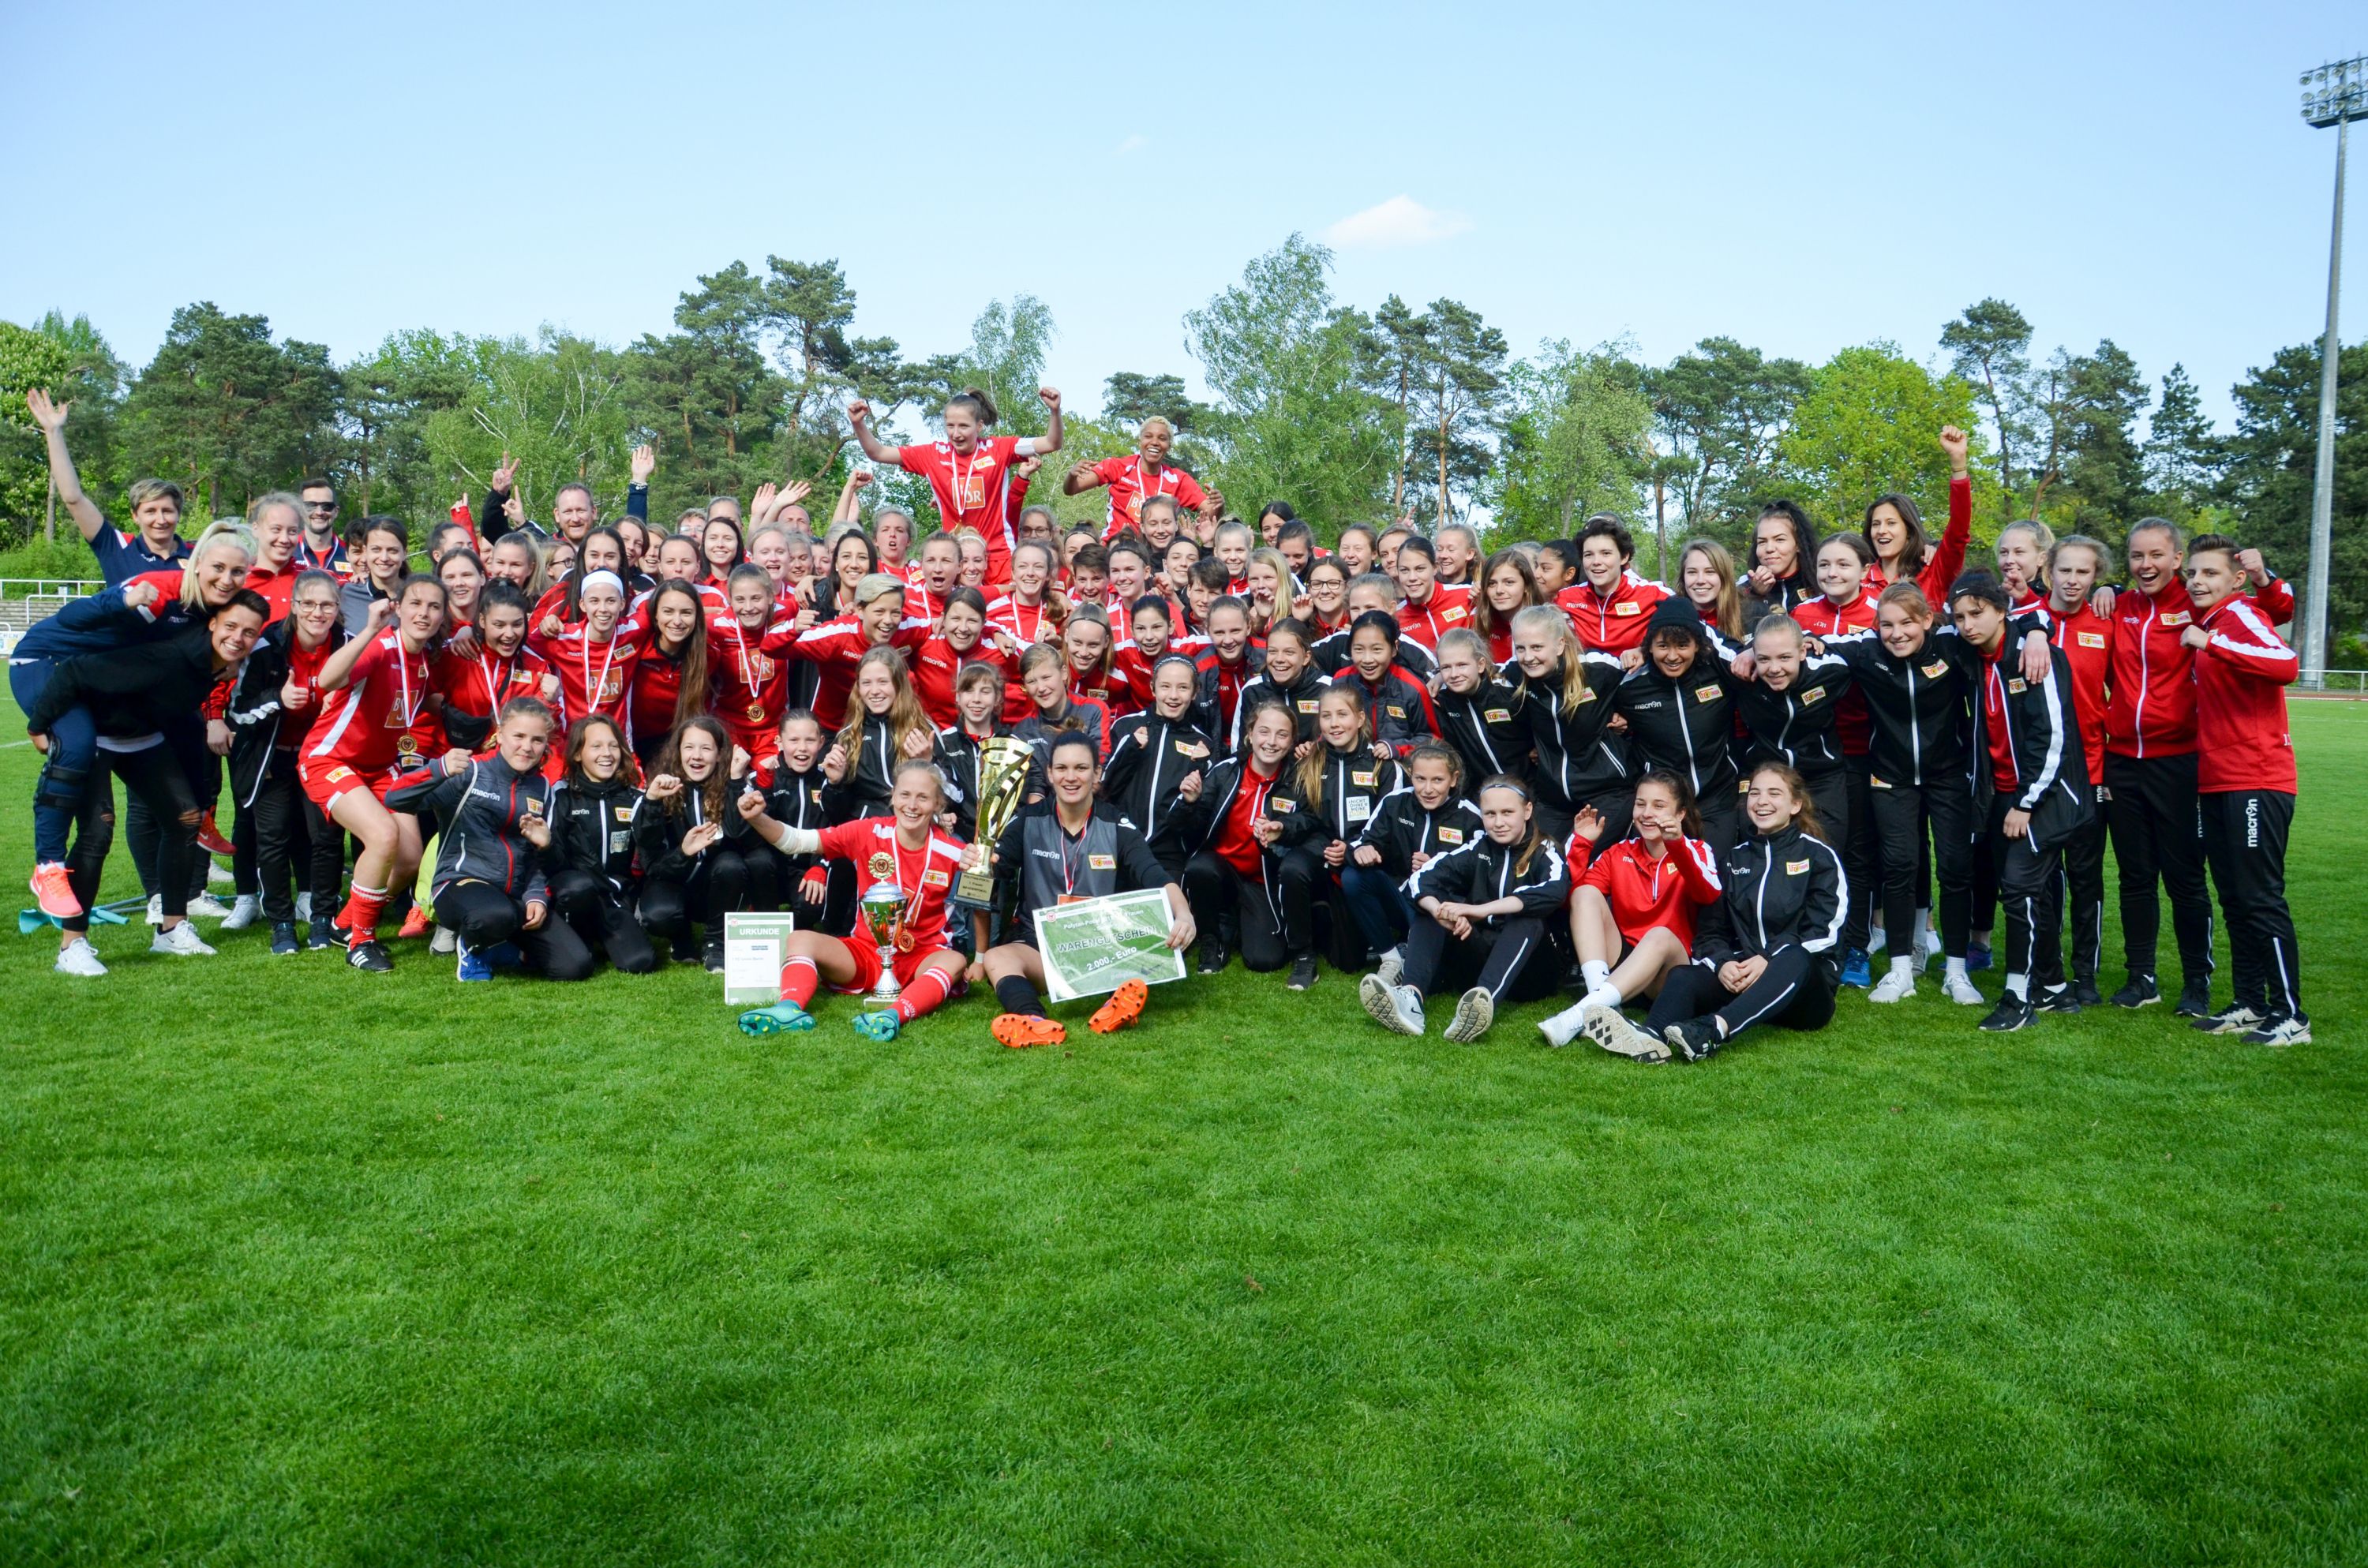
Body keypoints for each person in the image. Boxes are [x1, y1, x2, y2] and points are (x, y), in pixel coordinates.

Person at [24, 590, 268, 973]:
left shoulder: (219, 664)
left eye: (249, 632)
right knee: (97, 830)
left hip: (141, 738)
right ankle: (72, 945)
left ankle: (171, 929)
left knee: (185, 819)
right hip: (97, 735)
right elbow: (76, 671)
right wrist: (39, 727)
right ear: (212, 624)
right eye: (231, 626)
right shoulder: (170, 657)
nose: (238, 637)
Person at [1815, 583, 1985, 1005]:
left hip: (1948, 775)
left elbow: (2010, 623)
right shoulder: (1866, 650)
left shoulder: (1949, 644)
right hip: (1889, 777)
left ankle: (1958, 972)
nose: (1897, 633)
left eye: (1908, 622)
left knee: (1955, 869)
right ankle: (1900, 970)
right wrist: (1807, 641)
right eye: (1887, 625)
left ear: (1927, 620)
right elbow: (1818, 644)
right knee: (1899, 867)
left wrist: (2036, 631)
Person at [971, 732, 1197, 1047]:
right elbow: (997, 873)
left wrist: (1184, 913)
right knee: (999, 958)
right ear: (1049, 774)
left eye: (1081, 768)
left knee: (1136, 954)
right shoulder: (1028, 820)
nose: (1071, 777)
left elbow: (1154, 874)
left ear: (1097, 773)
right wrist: (981, 864)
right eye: (1061, 768)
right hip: (1040, 946)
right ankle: (1035, 1020)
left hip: (1101, 944)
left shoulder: (1115, 824)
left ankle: (1111, 1007)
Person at [1946, 572, 2092, 1031]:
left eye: (1978, 613)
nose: (1968, 624)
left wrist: (2027, 803)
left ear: (2001, 610)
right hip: (2001, 795)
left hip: (2044, 794)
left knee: (2019, 888)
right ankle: (2052, 988)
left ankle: (2018, 995)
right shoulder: (1973, 657)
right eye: (1961, 616)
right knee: (2035, 895)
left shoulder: (2036, 656)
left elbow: (2053, 738)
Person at [735, 758, 971, 1041]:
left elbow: (984, 897)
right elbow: (797, 841)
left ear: (938, 805)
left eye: (923, 797)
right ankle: (788, 1009)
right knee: (800, 939)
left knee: (955, 961)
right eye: (905, 795)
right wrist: (758, 818)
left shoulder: (954, 851)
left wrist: (982, 864)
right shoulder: (867, 831)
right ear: (893, 796)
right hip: (865, 952)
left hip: (921, 958)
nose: (912, 805)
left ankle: (892, 1016)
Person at [2181, 536, 2308, 1046]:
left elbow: (2286, 664)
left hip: (2256, 777)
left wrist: (2211, 643)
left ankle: (2291, 1015)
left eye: (2209, 573)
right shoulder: (2214, 621)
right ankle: (2250, 1002)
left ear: (2234, 580)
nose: (2196, 581)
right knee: (2234, 898)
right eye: (2192, 573)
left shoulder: (2237, 616)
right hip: (2217, 778)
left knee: (2260, 897)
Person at [1642, 762, 1848, 1061]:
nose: (1762, 801)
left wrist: (1767, 959)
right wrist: (1724, 964)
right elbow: (1710, 933)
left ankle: (1713, 1030)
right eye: (1754, 793)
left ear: (1795, 805)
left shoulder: (1818, 856)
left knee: (1794, 956)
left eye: (1774, 793)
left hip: (1803, 992)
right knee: (1683, 976)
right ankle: (1649, 1037)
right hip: (1745, 980)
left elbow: (1825, 933)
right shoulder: (1733, 860)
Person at [305, 575, 453, 971]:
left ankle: (344, 922)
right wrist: (371, 628)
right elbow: (327, 681)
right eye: (416, 604)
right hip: (330, 761)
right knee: (383, 836)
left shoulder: (422, 660)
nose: (424, 613)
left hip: (381, 768)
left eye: (434, 606)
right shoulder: (379, 647)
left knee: (408, 859)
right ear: (398, 608)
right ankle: (362, 941)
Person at [386, 699, 594, 982]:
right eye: (518, 736)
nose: (527, 747)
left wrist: (536, 896)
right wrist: (438, 769)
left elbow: (534, 857)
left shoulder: (542, 787)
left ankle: (498, 949)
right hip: (459, 884)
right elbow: (395, 798)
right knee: (494, 914)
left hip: (514, 894)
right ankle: (472, 945)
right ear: (500, 734)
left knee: (574, 966)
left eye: (537, 740)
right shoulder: (469, 773)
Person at [1358, 776, 1572, 1042]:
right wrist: (1440, 911)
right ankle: (1411, 998)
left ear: (1527, 811)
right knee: (1432, 910)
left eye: (1508, 812)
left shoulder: (1546, 850)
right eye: (1490, 814)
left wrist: (1480, 910)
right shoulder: (1477, 847)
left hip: (1533, 974)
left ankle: (1481, 1005)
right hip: (1477, 960)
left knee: (1528, 919)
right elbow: (1420, 880)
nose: (1499, 822)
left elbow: (1554, 891)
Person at [1537, 770, 1725, 1053]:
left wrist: (1677, 845)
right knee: (1585, 893)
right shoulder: (1618, 852)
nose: (1647, 814)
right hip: (1623, 965)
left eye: (1659, 806)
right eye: (1641, 804)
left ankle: (1578, 1016)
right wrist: (1582, 844)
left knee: (1660, 934)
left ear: (1680, 813)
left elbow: (1708, 892)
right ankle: (1599, 1004)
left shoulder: (1698, 849)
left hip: (1669, 971)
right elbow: (1569, 901)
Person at [224, 568, 349, 953]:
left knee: (326, 837)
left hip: (323, 758)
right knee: (273, 838)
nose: (317, 612)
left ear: (337, 607)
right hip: (273, 760)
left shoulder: (348, 642)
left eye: (326, 604)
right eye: (308, 603)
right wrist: (279, 700)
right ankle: (280, 922)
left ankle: (322, 918)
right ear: (294, 606)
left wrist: (339, 702)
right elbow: (237, 710)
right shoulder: (267, 645)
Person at [847, 386, 1062, 585]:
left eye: (963, 426)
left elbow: (1051, 443)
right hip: (955, 558)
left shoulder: (999, 448)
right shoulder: (932, 455)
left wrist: (1055, 411)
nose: (956, 434)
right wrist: (858, 424)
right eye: (950, 426)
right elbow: (878, 452)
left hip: (998, 556)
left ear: (979, 425)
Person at [1795, 533, 1883, 986]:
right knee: (1811, 849)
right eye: (1825, 565)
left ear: (1865, 569)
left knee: (1857, 853)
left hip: (1863, 750)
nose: (1832, 573)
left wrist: (1828, 647)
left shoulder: (1878, 612)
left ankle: (1857, 948)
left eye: (1843, 565)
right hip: (1812, 754)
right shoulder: (1801, 614)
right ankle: (1811, 942)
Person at [1174, 698, 1313, 978]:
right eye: (1264, 731)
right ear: (1249, 735)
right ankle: (1213, 937)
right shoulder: (1227, 771)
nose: (1271, 741)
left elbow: (1310, 820)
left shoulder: (1298, 779)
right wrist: (1189, 803)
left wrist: (1282, 827)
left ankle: (1238, 922)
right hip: (1221, 872)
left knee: (1264, 960)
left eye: (1282, 734)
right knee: (1200, 867)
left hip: (1262, 880)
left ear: (1291, 742)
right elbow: (1187, 827)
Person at [1273, 684, 1401, 979]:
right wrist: (1283, 826)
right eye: (1326, 716)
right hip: (1321, 847)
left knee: (1349, 962)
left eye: (1342, 714)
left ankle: (1331, 918)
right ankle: (1303, 954)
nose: (1334, 723)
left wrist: (1353, 848)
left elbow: (1387, 826)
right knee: (1292, 868)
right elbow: (1304, 816)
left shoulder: (1383, 766)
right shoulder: (1310, 762)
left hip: (1361, 859)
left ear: (1359, 719)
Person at [2043, 537, 2114, 1006]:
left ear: (2096, 577)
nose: (2072, 581)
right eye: (2064, 570)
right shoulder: (2027, 621)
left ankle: (2085, 973)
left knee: (2087, 879)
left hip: (2091, 772)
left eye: (2084, 573)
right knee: (2044, 880)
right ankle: (2048, 971)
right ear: (2048, 571)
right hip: (2041, 777)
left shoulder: (2107, 624)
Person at [1346, 739, 1485, 980]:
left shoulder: (1471, 817)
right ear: (1411, 775)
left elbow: (1480, 875)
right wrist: (1362, 850)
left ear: (1454, 779)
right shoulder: (1395, 802)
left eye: (1437, 780)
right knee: (1353, 877)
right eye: (1420, 779)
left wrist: (1436, 868)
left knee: (1440, 978)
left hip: (1439, 907)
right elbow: (1364, 841)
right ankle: (1391, 959)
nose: (1427, 789)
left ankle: (1417, 962)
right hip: (1399, 898)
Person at [1613, 599, 1744, 851]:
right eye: (1663, 646)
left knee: (1713, 879)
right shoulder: (1630, 685)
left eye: (1683, 645)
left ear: (1697, 645)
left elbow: (1754, 660)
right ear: (1649, 647)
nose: (1672, 656)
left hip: (1718, 798)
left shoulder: (1716, 673)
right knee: (1666, 882)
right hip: (1665, 804)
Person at [635, 716, 760, 971]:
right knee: (659, 915)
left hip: (717, 887)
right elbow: (650, 857)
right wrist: (653, 802)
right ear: (678, 751)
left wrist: (736, 780)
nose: (697, 756)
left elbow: (739, 834)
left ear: (719, 754)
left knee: (731, 864)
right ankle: (680, 938)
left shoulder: (734, 784)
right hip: (671, 879)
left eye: (706, 748)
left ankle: (716, 942)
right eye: (689, 747)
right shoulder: (661, 786)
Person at [25, 387, 190, 581]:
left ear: (178, 514)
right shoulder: (117, 548)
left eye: (168, 511)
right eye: (150, 511)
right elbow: (73, 499)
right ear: (135, 516)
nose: (161, 519)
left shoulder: (201, 556)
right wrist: (54, 432)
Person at [546, 715, 661, 975]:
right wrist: (544, 847)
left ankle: (606, 936)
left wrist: (653, 807)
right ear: (577, 754)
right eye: (596, 746)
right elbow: (553, 864)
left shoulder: (635, 797)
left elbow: (650, 852)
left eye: (613, 746)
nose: (606, 754)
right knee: (578, 889)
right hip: (575, 897)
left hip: (613, 898)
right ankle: (574, 936)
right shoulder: (560, 795)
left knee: (639, 963)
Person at [1506, 603, 1629, 843]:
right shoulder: (1517, 673)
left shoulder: (1596, 669)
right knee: (1538, 860)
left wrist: (1627, 717)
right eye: (1520, 648)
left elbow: (1643, 679)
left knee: (1576, 860)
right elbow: (1478, 674)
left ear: (1560, 645)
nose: (1528, 657)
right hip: (1554, 798)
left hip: (1606, 791)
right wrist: (1439, 676)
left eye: (1537, 647)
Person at [1100, 655, 1220, 880]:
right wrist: (1131, 749)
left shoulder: (1202, 744)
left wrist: (1196, 786)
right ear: (1153, 688)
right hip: (1119, 844)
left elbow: (1201, 820)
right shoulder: (1127, 726)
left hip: (1168, 855)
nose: (1173, 696)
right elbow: (1105, 788)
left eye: (1183, 688)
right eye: (1165, 686)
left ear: (1195, 693)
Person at [825, 646, 939, 821]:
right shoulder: (848, 736)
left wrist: (928, 764)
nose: (875, 691)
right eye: (866, 683)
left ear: (898, 684)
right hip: (867, 831)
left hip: (914, 827)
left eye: (883, 682)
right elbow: (834, 814)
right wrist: (835, 783)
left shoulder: (923, 729)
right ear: (858, 688)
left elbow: (954, 796)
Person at [1860, 426, 1973, 602]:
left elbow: (1958, 531)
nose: (1881, 530)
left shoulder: (1933, 573)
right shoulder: (1858, 578)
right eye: (1876, 524)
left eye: (1891, 523)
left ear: (1910, 531)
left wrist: (1958, 461)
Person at [1070, 416, 1214, 538]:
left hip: (1157, 554)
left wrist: (1219, 503)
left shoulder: (1178, 479)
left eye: (1162, 438)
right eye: (1148, 436)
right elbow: (1072, 489)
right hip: (1116, 550)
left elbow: (1211, 513)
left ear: (1169, 445)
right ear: (1140, 440)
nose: (1155, 442)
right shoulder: (1118, 467)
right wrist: (1071, 475)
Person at [1429, 627, 1531, 792]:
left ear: (1481, 664)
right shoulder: (1443, 702)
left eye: (1462, 665)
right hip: (1482, 794)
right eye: (1446, 667)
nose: (1454, 674)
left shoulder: (1507, 689)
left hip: (1529, 786)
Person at [1557, 515, 1671, 659]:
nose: (1596, 562)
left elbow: (1690, 633)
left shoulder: (1654, 594)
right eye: (1588, 555)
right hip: (1586, 678)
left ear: (1624, 557)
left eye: (1606, 554)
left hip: (1636, 678)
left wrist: (1645, 650)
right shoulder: (1564, 598)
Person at [1332, 611, 1439, 758]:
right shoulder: (1341, 681)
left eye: (1377, 650)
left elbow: (1433, 739)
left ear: (1394, 648)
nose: (1367, 659)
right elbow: (1329, 728)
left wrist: (1398, 749)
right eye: (1359, 650)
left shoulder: (1413, 688)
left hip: (1402, 769)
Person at [1231, 618, 1329, 744]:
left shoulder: (1326, 688)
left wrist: (1315, 752)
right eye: (1273, 651)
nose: (1279, 659)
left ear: (1306, 657)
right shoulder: (1252, 690)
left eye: (1289, 652)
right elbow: (1240, 749)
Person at [1744, 501, 1819, 618]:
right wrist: (1756, 595)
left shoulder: (1820, 583)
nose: (1769, 549)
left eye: (1779, 540)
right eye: (1762, 542)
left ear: (1798, 544)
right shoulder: (1742, 588)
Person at [1472, 549, 1539, 664]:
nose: (1499, 590)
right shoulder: (1478, 619)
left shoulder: (1545, 622)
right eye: (1492, 584)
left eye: (1509, 582)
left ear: (1527, 586)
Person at [1677, 539, 1747, 641]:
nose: (1700, 580)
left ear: (1723, 576)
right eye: (1692, 572)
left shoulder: (1746, 614)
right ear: (1683, 577)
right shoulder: (1671, 617)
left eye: (1710, 572)